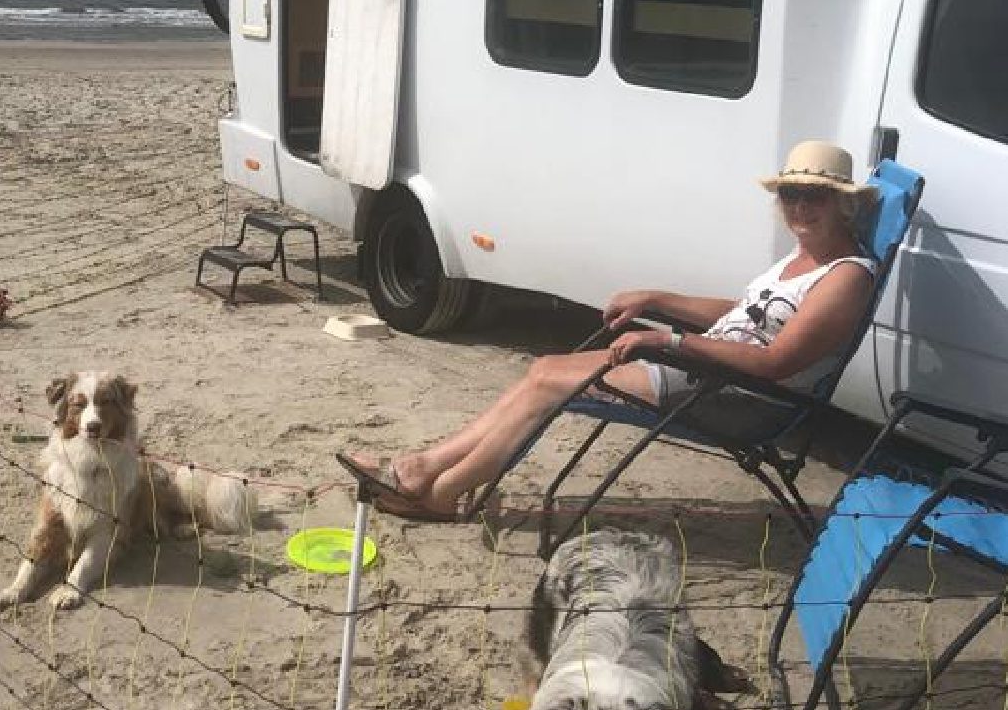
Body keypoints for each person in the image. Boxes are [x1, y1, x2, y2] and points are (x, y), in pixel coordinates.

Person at [340, 140, 878, 519]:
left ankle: (438, 490)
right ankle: (423, 472)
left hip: (740, 398)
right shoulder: (804, 255)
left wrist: (669, 340)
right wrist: (656, 299)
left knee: (548, 386)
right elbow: (745, 314)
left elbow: (776, 362)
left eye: (815, 196)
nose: (800, 206)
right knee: (544, 370)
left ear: (844, 204)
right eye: (790, 194)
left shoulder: (845, 277)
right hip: (706, 371)